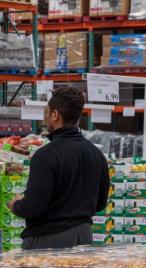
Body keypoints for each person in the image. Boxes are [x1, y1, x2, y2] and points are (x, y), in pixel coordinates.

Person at [8, 87, 109, 250]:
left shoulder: (45, 156)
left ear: (55, 115)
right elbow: (100, 203)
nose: (45, 117)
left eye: (46, 112)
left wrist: (16, 204)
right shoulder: (97, 154)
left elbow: (33, 208)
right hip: (84, 239)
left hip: (47, 242)